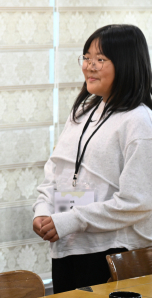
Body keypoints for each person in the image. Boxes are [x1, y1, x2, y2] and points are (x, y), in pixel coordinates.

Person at [33, 24, 152, 293]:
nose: (89, 66)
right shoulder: (84, 110)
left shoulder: (139, 121)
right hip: (69, 246)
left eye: (100, 59)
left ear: (127, 64)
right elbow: (58, 171)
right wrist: (44, 210)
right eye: (86, 57)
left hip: (114, 254)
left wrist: (70, 220)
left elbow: (138, 202)